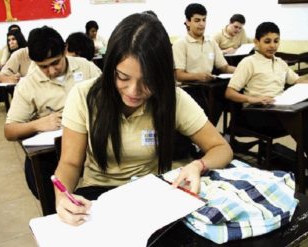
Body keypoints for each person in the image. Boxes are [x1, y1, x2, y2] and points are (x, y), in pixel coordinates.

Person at [54, 13, 233, 226]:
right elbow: (70, 163)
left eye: (148, 81)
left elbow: (222, 148)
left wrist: (198, 165)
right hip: (100, 196)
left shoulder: (172, 98)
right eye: (123, 77)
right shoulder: (83, 96)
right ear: (110, 67)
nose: (134, 91)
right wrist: (62, 197)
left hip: (154, 193)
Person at [4, 26, 101, 200]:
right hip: (54, 150)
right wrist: (38, 124)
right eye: (43, 66)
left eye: (55, 62)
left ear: (64, 49)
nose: (51, 71)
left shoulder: (85, 67)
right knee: (42, 180)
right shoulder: (28, 84)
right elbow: (9, 131)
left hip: (93, 140)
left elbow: (110, 96)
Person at [225, 22, 308, 170]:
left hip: (278, 107)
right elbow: (229, 93)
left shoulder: (280, 63)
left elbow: (297, 80)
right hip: (257, 112)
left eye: (276, 41)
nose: (272, 45)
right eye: (267, 41)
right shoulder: (248, 62)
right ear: (256, 42)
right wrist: (253, 99)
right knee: (300, 118)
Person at [172, 3, 235, 83]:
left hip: (207, 87)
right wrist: (198, 76)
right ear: (188, 22)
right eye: (197, 20)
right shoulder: (180, 44)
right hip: (187, 88)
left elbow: (225, 68)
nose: (202, 24)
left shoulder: (211, 42)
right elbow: (179, 75)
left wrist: (241, 71)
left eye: (204, 20)